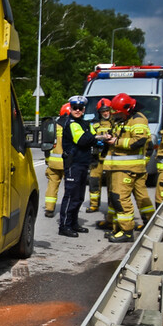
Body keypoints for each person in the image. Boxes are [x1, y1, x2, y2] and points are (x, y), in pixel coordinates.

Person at [101, 93, 155, 243]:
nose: (115, 114)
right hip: (127, 166)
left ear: (127, 108)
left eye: (118, 111)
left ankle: (127, 231)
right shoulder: (127, 119)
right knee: (140, 197)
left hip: (126, 167)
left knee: (120, 198)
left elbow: (139, 141)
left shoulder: (137, 119)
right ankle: (132, 226)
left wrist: (116, 141)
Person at [58, 96, 107, 237]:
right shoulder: (71, 123)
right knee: (70, 195)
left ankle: (73, 223)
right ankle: (64, 226)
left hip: (83, 162)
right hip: (73, 163)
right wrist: (96, 138)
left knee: (79, 196)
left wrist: (97, 139)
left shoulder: (85, 123)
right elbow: (82, 140)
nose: (78, 110)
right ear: (70, 108)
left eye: (80, 108)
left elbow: (93, 138)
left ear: (84, 109)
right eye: (75, 108)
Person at [43, 102, 71, 218]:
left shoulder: (53, 126)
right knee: (69, 187)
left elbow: (46, 143)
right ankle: (67, 209)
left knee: (52, 186)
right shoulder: (73, 126)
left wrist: (47, 159)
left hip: (53, 163)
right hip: (67, 163)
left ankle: (49, 209)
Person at [86, 98, 114, 213]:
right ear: (99, 112)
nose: (105, 113)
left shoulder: (116, 124)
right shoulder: (95, 125)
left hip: (110, 157)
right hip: (97, 156)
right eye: (103, 111)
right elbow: (89, 139)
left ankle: (112, 205)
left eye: (107, 110)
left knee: (111, 183)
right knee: (94, 181)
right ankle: (94, 204)